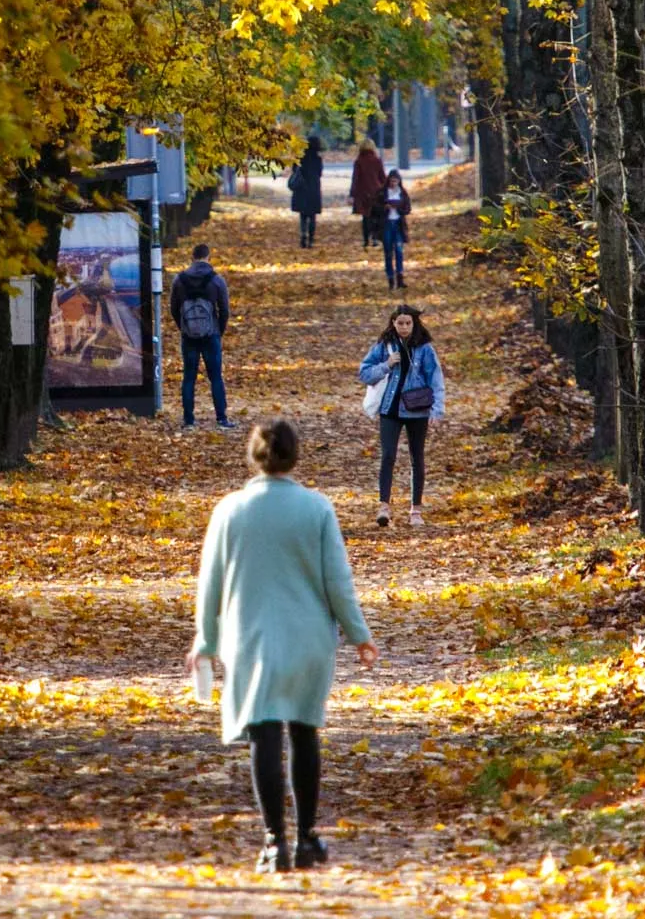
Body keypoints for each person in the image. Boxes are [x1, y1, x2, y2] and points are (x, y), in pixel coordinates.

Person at [187, 419, 379, 872]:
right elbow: (338, 582)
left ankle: (274, 842)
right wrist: (359, 635)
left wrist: (206, 641)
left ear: (253, 456)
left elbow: (209, 586)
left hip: (248, 637)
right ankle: (309, 838)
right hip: (308, 636)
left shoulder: (229, 511)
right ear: (295, 457)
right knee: (305, 730)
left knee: (264, 731)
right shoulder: (316, 509)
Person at [358, 304, 444, 527]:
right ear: (393, 323)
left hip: (418, 410)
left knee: (418, 458)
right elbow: (364, 372)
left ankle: (416, 509)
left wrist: (437, 410)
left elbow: (436, 379)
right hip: (390, 409)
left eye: (408, 323)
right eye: (400, 323)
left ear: (414, 324)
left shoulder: (425, 349)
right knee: (388, 456)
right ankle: (384, 506)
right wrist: (386, 365)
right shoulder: (384, 346)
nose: (404, 327)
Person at [170, 244, 235, 429]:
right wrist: (218, 330)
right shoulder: (216, 280)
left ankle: (189, 420)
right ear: (208, 257)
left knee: (189, 377)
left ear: (192, 257)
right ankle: (222, 418)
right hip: (211, 334)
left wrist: (183, 327)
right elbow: (224, 310)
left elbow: (173, 309)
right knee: (215, 376)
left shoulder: (179, 280)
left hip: (188, 335)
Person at [348, 139, 387, 248]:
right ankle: (374, 238)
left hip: (362, 193)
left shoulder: (358, 161)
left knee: (365, 217)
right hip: (376, 192)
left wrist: (352, 194)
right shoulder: (377, 160)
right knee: (375, 216)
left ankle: (365, 240)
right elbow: (382, 177)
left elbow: (355, 179)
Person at [377, 169, 412, 290]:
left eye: (396, 181)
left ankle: (400, 276)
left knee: (399, 250)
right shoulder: (382, 192)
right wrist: (385, 207)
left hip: (398, 224)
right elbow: (375, 208)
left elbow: (407, 208)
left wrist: (399, 208)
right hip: (386, 224)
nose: (393, 183)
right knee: (388, 251)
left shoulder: (402, 193)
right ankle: (390, 278)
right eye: (392, 181)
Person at [288, 137, 324, 248]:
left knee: (303, 215)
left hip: (301, 189)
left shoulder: (300, 158)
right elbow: (319, 173)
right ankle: (311, 239)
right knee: (312, 216)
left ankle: (303, 234)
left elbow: (294, 170)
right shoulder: (318, 159)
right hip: (313, 189)